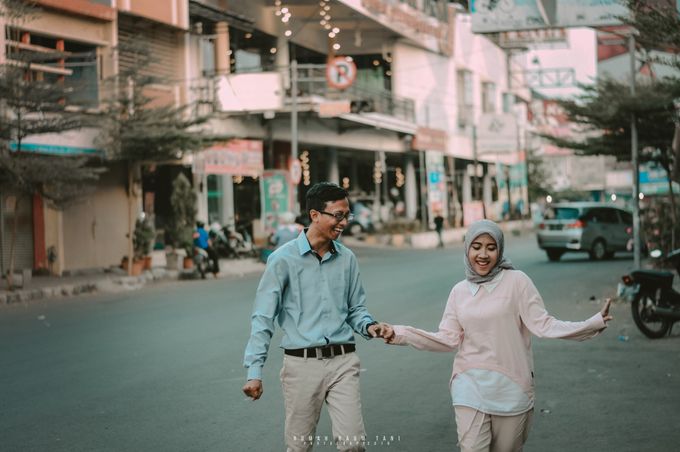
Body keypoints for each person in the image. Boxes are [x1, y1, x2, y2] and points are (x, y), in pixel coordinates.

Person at [380, 219, 612, 452]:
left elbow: (544, 325)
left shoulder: (517, 282)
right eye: (476, 246)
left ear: (499, 250)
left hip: (512, 388)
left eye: (491, 247)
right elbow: (447, 339)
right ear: (467, 249)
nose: (483, 254)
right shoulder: (459, 292)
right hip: (468, 386)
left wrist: (592, 324)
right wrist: (400, 333)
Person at [242, 182, 389, 452]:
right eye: (338, 215)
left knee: (353, 444)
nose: (344, 222)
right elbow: (263, 318)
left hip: (344, 362)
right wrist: (254, 372)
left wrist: (370, 327)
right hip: (301, 366)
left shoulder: (347, 259)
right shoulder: (282, 260)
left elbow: (356, 309)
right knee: (299, 447)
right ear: (315, 215)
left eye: (347, 215)